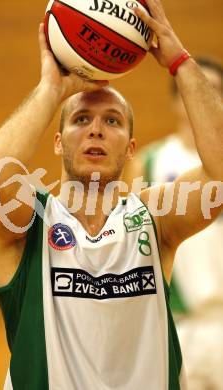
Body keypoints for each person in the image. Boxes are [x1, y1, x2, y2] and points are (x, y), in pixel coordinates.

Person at [0, 0, 223, 389]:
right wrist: (51, 89)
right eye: (80, 119)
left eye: (112, 121)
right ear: (57, 143)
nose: (96, 130)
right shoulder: (31, 221)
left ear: (130, 147)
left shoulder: (154, 216)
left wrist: (181, 63)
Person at [125, 56, 223, 389]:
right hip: (180, 322)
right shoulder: (149, 161)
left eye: (214, 90)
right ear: (176, 99)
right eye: (192, 90)